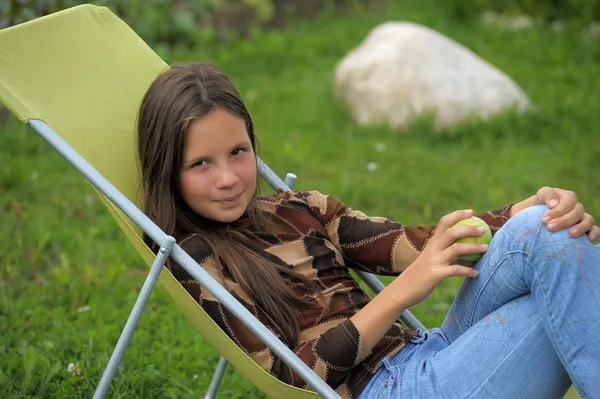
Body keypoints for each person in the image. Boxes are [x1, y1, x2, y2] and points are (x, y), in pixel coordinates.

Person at [136, 62, 600, 399]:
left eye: (238, 151)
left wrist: (527, 208)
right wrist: (398, 297)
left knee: (546, 229)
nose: (228, 177)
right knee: (554, 304)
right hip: (386, 391)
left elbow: (411, 246)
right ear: (168, 172)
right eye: (200, 163)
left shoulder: (299, 208)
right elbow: (291, 375)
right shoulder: (194, 257)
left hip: (426, 355)